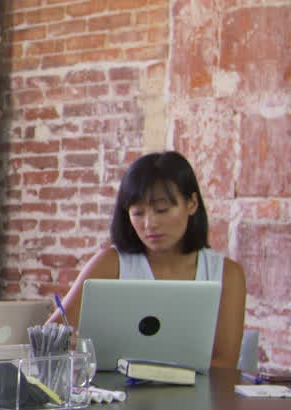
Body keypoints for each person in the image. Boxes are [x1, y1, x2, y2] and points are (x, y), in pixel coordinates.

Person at [56, 151, 247, 368]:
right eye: (138, 213)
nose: (149, 224)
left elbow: (225, 363)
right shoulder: (111, 263)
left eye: (162, 210)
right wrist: (68, 344)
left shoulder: (226, 273)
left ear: (192, 203)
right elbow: (51, 333)